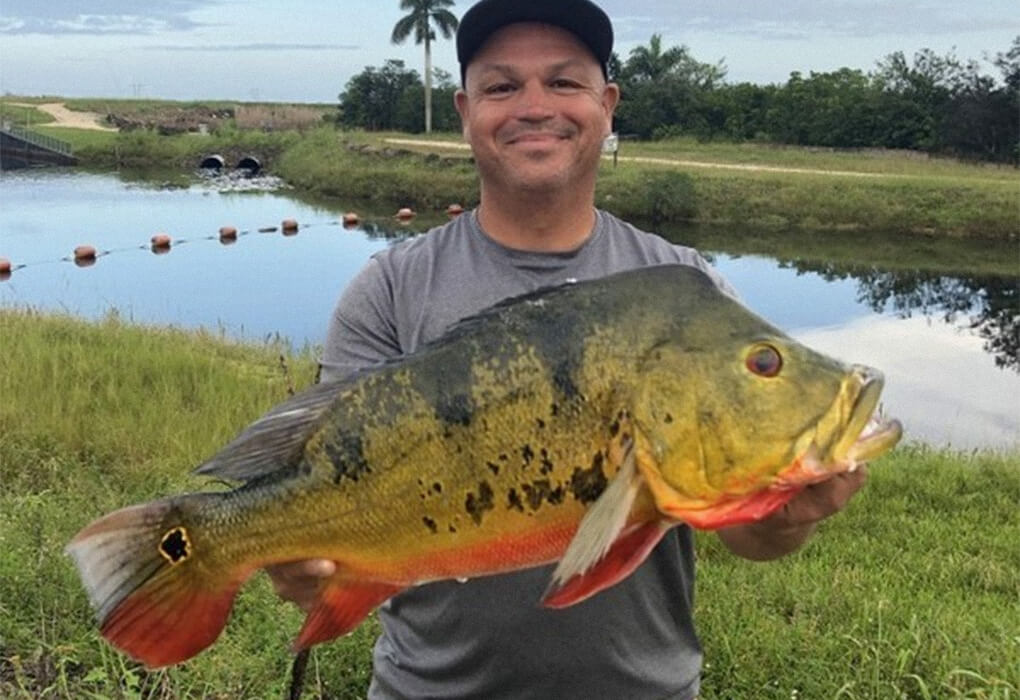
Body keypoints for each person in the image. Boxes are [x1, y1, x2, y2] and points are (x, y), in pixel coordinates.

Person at [269, 0, 868, 697]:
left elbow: (749, 538)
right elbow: (323, 485)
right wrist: (298, 561)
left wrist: (786, 519)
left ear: (606, 104)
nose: (533, 106)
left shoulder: (689, 289)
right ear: (466, 110)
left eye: (563, 82)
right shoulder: (391, 289)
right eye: (501, 86)